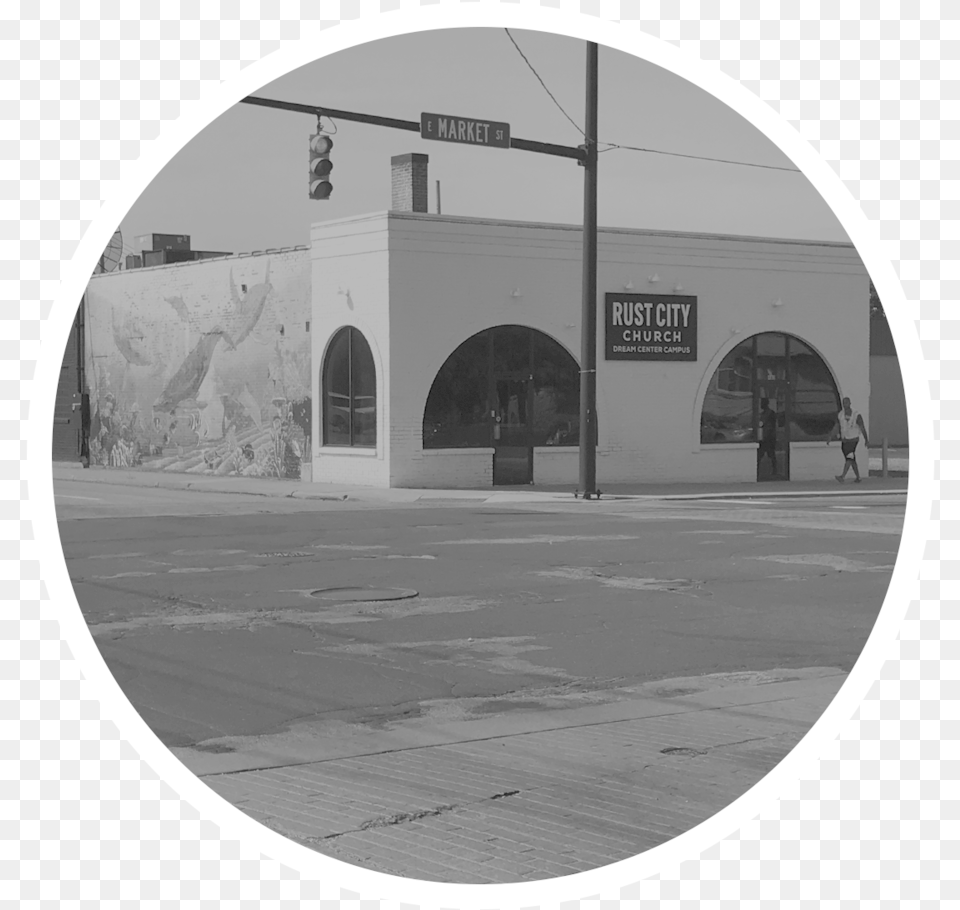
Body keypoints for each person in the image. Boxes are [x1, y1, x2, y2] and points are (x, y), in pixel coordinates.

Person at [833, 396, 869, 483]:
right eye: (843, 403)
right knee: (851, 459)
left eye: (846, 403)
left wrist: (866, 439)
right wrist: (831, 436)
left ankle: (842, 476)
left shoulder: (856, 415)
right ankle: (858, 477)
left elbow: (862, 427)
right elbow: (837, 426)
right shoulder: (840, 415)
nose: (845, 405)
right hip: (845, 440)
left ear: (850, 403)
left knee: (849, 457)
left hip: (853, 439)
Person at [757, 397, 778, 474]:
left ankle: (775, 470)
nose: (760, 405)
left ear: (765, 404)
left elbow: (772, 427)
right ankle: (757, 471)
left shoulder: (771, 413)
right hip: (764, 437)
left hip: (769, 438)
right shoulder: (763, 414)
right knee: (760, 455)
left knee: (771, 455)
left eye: (762, 403)